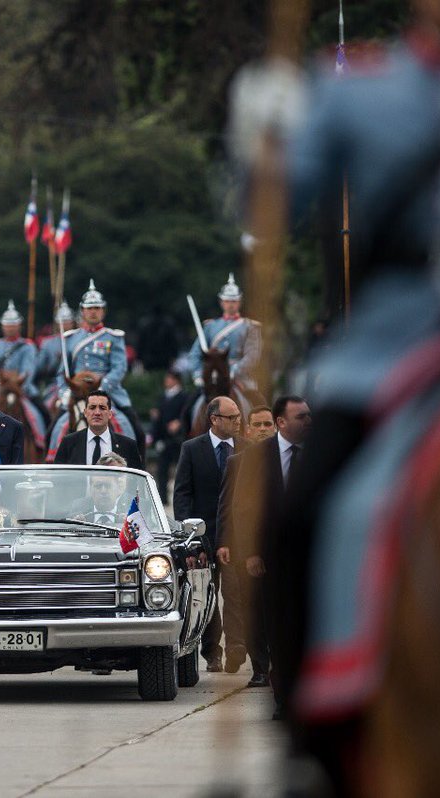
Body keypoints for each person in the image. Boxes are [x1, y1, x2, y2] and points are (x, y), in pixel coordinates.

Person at [230, 0, 440, 756]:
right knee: (303, 516)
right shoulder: (355, 91)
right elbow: (273, 211)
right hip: (386, 349)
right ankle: (311, 741)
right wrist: (262, 143)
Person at [218, 396, 311, 714]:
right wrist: (250, 552)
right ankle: (269, 678)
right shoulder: (254, 458)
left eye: (308, 416)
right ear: (282, 422)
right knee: (265, 615)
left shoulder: (315, 453)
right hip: (266, 555)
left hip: (305, 555)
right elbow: (241, 508)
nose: (307, 422)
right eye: (300, 417)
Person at [172, 395, 242, 673]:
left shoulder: (247, 448)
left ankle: (238, 646)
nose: (238, 421)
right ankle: (212, 652)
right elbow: (182, 493)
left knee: (236, 594)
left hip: (237, 537)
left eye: (239, 416)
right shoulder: (192, 449)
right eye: (232, 417)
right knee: (207, 596)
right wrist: (189, 532)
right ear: (214, 419)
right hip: (203, 537)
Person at [55, 281, 146, 448]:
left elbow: (120, 367)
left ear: (103, 310)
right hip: (77, 393)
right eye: (89, 308)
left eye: (97, 308)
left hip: (108, 391)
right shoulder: (70, 338)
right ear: (82, 311)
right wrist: (64, 392)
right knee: (54, 429)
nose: (93, 312)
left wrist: (103, 386)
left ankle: (136, 462)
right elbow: (63, 372)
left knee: (135, 429)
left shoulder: (113, 337)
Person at [186, 273, 263, 395]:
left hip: (239, 378)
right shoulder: (210, 326)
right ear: (221, 302)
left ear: (239, 302)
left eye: (234, 301)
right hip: (211, 377)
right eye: (227, 301)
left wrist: (234, 370)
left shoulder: (250, 327)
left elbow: (252, 355)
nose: (230, 304)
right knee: (189, 407)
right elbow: (195, 353)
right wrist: (198, 374)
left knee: (258, 404)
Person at [52, 390, 144, 470]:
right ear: (85, 413)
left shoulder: (128, 446)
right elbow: (58, 480)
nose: (97, 413)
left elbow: (136, 485)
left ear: (110, 414)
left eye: (102, 408)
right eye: (92, 408)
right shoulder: (68, 443)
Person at [150, 368, 191, 496]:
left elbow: (188, 415)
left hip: (179, 440)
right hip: (164, 439)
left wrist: (179, 422)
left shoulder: (185, 397)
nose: (166, 381)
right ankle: (162, 498)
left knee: (181, 470)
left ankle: (181, 495)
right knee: (162, 469)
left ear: (176, 380)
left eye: (169, 378)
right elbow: (158, 418)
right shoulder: (163, 396)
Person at [35, 300, 75, 405]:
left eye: (67, 322)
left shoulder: (79, 339)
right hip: (54, 384)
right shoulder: (48, 343)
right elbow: (39, 368)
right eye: (62, 322)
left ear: (72, 322)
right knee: (46, 406)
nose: (65, 325)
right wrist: (55, 362)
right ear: (57, 323)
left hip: (76, 383)